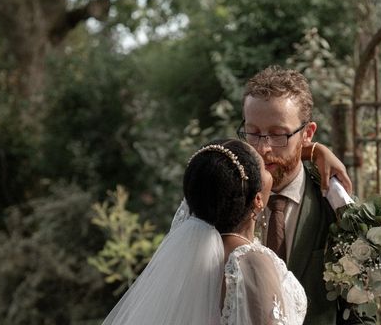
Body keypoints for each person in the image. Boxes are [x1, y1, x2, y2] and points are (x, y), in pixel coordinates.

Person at [102, 139, 307, 325]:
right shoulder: (251, 261)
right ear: (258, 200)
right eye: (264, 168)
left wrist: (315, 151)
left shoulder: (187, 257)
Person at [239, 66, 365, 325]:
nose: (263, 148)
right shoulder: (227, 197)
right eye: (253, 132)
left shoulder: (337, 207)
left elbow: (359, 313)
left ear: (307, 134)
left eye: (278, 134)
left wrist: (316, 151)